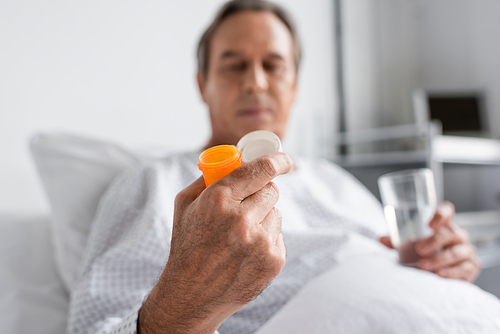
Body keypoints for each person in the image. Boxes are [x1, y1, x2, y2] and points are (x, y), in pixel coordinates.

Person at [67, 1, 483, 333]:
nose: (256, 82)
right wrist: (182, 307)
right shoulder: (154, 186)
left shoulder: (334, 181)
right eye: (234, 65)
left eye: (273, 65)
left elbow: (403, 266)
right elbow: (94, 327)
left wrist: (441, 257)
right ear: (202, 85)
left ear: (295, 85)